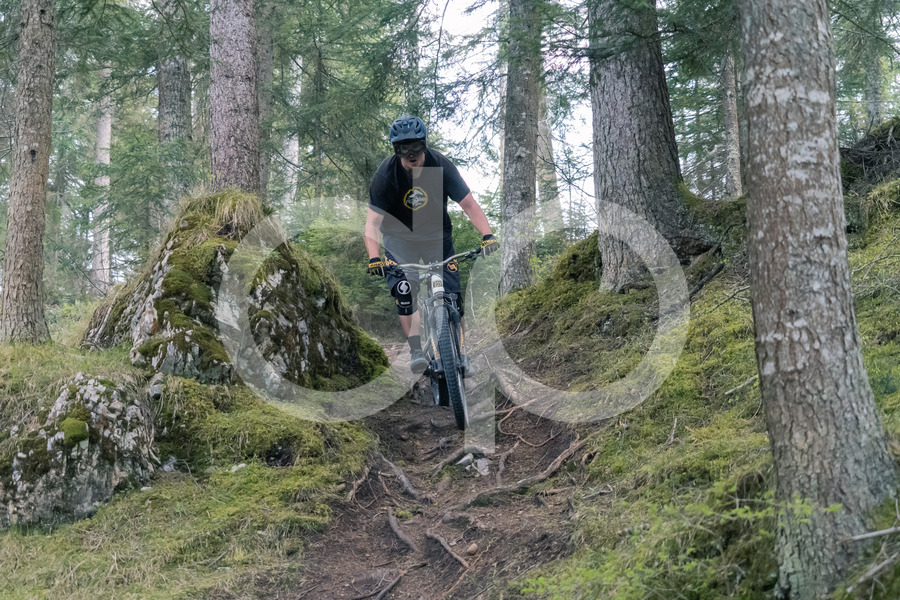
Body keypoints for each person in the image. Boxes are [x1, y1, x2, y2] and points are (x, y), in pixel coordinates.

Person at [364, 115, 499, 374]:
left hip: (437, 236)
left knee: (453, 296)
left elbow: (469, 204)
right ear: (396, 149)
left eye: (416, 147)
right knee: (404, 291)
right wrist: (373, 257)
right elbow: (372, 223)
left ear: (424, 144)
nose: (411, 154)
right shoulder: (386, 175)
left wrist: (487, 235)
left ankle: (460, 352)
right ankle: (416, 350)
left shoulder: (441, 166)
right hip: (399, 239)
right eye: (404, 149)